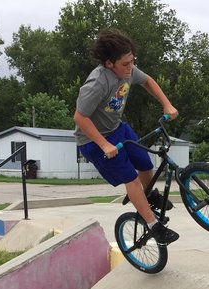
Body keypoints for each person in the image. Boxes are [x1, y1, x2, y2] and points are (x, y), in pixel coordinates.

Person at [73, 29, 180, 245]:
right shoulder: (97, 83)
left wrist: (167, 104)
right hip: (94, 140)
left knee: (145, 164)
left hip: (118, 129)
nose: (130, 67)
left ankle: (148, 197)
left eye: (132, 61)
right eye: (125, 63)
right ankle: (153, 226)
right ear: (109, 63)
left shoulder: (128, 70)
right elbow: (80, 117)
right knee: (131, 179)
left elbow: (147, 81)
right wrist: (104, 144)